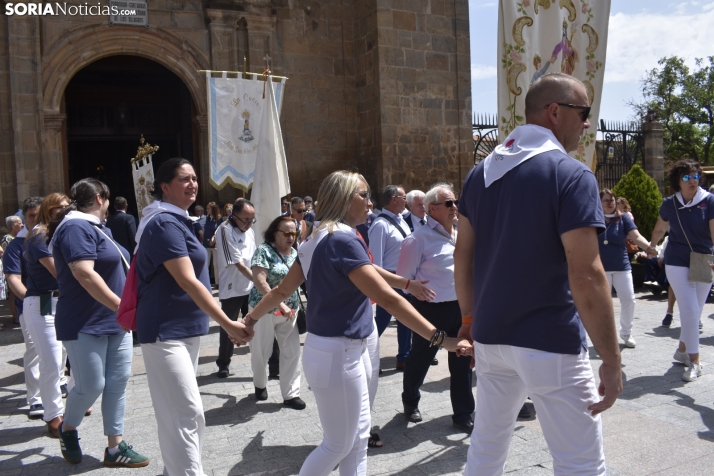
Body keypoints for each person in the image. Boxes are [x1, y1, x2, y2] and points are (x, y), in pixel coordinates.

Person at [242, 170, 472, 476]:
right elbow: (388, 300)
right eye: (363, 195)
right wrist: (443, 340)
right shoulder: (340, 239)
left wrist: (250, 319)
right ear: (343, 198)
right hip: (340, 353)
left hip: (342, 349)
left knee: (357, 438)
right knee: (338, 444)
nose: (370, 202)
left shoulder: (319, 238)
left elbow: (285, 289)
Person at [456, 73, 622, 474]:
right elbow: (586, 275)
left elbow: (462, 257)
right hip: (549, 338)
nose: (587, 123)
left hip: (492, 337)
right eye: (583, 113)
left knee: (485, 449)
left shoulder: (479, 174)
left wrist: (467, 320)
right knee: (580, 462)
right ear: (554, 111)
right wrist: (612, 359)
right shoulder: (571, 173)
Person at [134, 158, 254, 476]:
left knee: (174, 412)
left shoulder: (179, 220)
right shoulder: (164, 223)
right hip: (164, 329)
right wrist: (227, 323)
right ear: (164, 187)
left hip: (184, 328)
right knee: (188, 411)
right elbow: (188, 280)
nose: (193, 184)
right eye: (184, 179)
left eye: (194, 178)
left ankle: (176, 470)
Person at [49, 178, 148, 467]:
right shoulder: (75, 227)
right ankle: (68, 428)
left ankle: (115, 447)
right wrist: (123, 308)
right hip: (84, 321)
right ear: (99, 198)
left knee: (117, 382)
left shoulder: (96, 228)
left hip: (113, 321)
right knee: (91, 385)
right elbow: (84, 273)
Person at [397, 183, 474, 432]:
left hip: (462, 307)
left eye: (455, 202)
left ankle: (463, 413)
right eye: (449, 203)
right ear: (433, 209)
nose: (455, 207)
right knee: (421, 359)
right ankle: (410, 400)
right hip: (432, 310)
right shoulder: (418, 238)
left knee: (462, 358)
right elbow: (403, 278)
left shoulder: (464, 231)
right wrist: (414, 289)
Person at [648, 159, 714, 382]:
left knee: (695, 310)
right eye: (686, 177)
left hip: (704, 260)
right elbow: (660, 227)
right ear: (678, 181)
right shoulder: (669, 204)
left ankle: (681, 351)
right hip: (676, 260)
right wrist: (651, 246)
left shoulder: (709, 201)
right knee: (690, 310)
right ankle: (695, 361)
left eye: (695, 176)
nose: (692, 180)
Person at [23, 193, 71, 437]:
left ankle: (73, 405)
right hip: (42, 303)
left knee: (68, 358)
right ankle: (53, 415)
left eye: (66, 206)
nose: (63, 210)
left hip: (63, 302)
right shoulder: (40, 235)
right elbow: (59, 271)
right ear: (48, 210)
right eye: (58, 207)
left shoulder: (62, 231)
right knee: (51, 362)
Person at [248, 216, 305, 409]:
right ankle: (260, 384)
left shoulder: (296, 253)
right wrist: (280, 303)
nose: (291, 237)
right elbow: (259, 280)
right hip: (264, 310)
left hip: (291, 310)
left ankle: (291, 394)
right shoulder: (263, 251)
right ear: (275, 233)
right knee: (261, 351)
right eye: (286, 233)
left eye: (294, 233)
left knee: (291, 352)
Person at [3, 197, 43, 418]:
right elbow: (14, 279)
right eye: (31, 216)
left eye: (39, 215)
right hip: (31, 302)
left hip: (56, 301)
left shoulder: (52, 240)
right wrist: (32, 300)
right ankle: (36, 398)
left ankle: (60, 383)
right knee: (35, 349)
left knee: (61, 348)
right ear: (23, 218)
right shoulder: (16, 246)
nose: (35, 220)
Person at [598, 189, 652, 348]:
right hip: (601, 268)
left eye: (612, 200)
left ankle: (626, 333)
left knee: (629, 299)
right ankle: (604, 336)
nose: (610, 203)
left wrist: (650, 247)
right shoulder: (594, 218)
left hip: (622, 266)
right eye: (606, 200)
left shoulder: (624, 219)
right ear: (599, 203)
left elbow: (636, 237)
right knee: (603, 304)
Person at [368, 185, 412, 370]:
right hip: (390, 279)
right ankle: (366, 350)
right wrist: (380, 286)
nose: (406, 201)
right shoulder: (380, 225)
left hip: (405, 278)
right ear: (394, 199)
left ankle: (404, 356)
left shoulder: (401, 220)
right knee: (383, 320)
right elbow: (375, 260)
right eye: (403, 198)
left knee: (406, 319)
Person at [214, 198, 256, 378]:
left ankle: (273, 362)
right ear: (234, 215)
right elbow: (237, 262)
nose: (248, 224)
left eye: (251, 219)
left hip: (251, 286)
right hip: (233, 287)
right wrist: (258, 280)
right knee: (229, 326)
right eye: (245, 220)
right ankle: (223, 363)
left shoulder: (250, 231)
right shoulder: (225, 229)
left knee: (260, 325)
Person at [202, 201, 223, 286]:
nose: (206, 210)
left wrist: (214, 238)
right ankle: (204, 281)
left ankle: (218, 282)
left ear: (213, 209)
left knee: (216, 264)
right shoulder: (206, 218)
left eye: (208, 208)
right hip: (206, 243)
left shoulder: (219, 218)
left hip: (216, 244)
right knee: (205, 263)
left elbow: (219, 229)